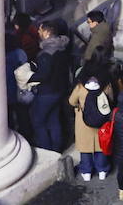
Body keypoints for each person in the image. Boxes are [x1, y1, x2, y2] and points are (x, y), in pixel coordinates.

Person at [29, 20, 73, 151]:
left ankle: (46, 148)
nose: (38, 32)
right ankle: (57, 148)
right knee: (54, 120)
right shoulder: (62, 46)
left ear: (47, 33)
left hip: (47, 92)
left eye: (40, 30)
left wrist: (28, 77)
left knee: (38, 121)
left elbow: (43, 75)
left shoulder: (46, 54)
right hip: (61, 89)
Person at [68, 66, 113, 182]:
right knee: (101, 146)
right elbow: (111, 100)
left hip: (84, 123)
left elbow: (71, 101)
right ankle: (102, 170)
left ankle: (86, 171)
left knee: (85, 148)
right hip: (101, 122)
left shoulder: (80, 87)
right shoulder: (106, 86)